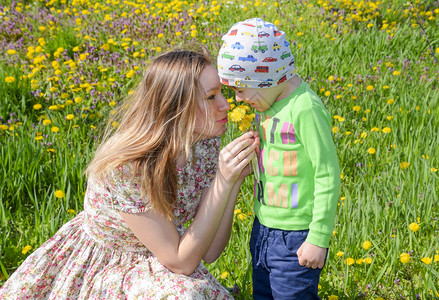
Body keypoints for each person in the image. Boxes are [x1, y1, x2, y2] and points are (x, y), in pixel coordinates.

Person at [0, 46, 259, 299]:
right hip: (108, 264)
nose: (226, 104)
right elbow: (181, 263)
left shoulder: (203, 142)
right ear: (176, 107)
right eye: (211, 96)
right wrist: (223, 179)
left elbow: (211, 251)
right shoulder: (129, 167)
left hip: (166, 256)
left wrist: (231, 181)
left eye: (221, 92)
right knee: (184, 294)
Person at [217, 18, 341, 299]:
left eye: (240, 88)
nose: (237, 98)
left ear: (264, 78)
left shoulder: (304, 109)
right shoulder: (268, 102)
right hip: (263, 228)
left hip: (296, 236)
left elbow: (327, 173)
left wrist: (318, 238)